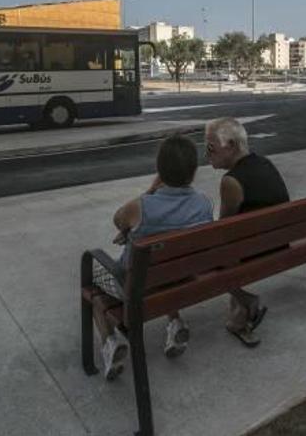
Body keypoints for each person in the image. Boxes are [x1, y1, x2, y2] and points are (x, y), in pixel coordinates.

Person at [91, 135, 214, 380]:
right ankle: (175, 322)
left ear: (159, 170)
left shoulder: (141, 207)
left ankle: (110, 342)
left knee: (94, 287)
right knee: (166, 267)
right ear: (193, 171)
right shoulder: (203, 203)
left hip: (135, 285)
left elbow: (118, 219)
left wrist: (150, 191)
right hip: (181, 277)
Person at [204, 117, 290, 348]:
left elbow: (223, 231)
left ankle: (246, 301)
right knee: (232, 245)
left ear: (231, 145)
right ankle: (237, 319)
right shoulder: (264, 163)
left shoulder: (231, 181)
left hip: (255, 252)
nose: (206, 154)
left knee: (207, 253)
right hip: (278, 244)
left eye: (211, 147)